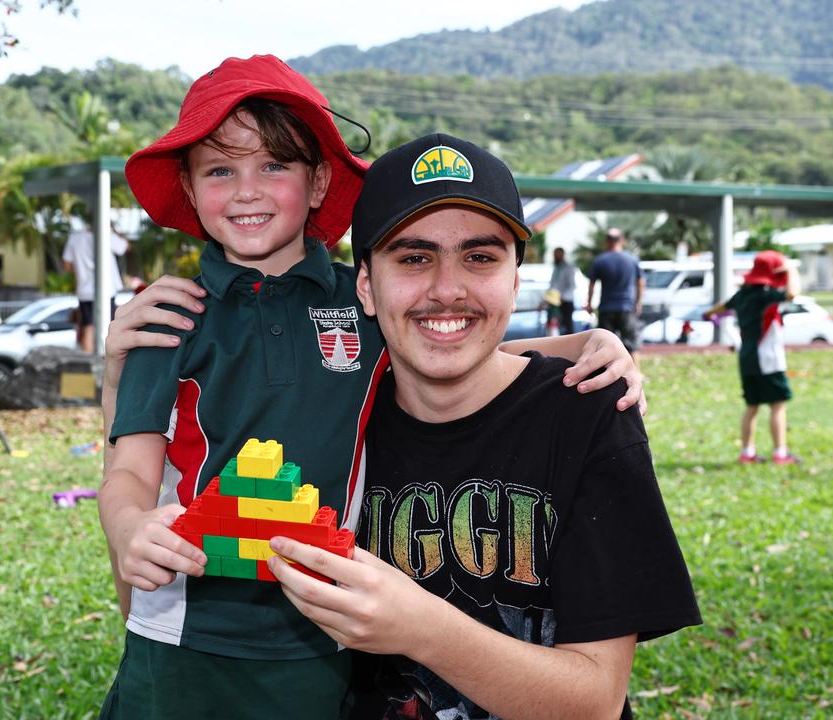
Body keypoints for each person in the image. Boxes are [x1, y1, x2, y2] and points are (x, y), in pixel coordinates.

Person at [97, 55, 644, 719]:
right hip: (185, 632)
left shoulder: (361, 305)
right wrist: (128, 527)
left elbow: (459, 345)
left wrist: (591, 345)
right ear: (188, 184)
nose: (247, 190)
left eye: (274, 165)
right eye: (220, 170)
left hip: (326, 630)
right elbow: (129, 468)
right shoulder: (170, 314)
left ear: (321, 179)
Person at [264, 133, 701, 720]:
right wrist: (132, 377)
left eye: (481, 257)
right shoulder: (334, 420)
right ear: (366, 284)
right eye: (414, 257)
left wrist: (420, 627)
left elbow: (596, 699)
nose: (448, 289)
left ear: (516, 279)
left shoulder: (586, 412)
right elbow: (158, 603)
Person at [706, 250, 801, 465]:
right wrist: (792, 269)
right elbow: (792, 294)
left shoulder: (743, 295)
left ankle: (747, 452)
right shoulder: (764, 295)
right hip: (767, 358)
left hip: (746, 357)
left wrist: (710, 314)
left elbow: (720, 307)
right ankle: (780, 453)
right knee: (777, 404)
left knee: (752, 405)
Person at [62, 211, 128, 353]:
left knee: (88, 327)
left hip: (84, 291)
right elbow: (125, 247)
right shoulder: (107, 235)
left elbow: (66, 265)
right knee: (110, 327)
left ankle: (89, 366)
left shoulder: (74, 238)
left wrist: (81, 272)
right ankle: (107, 363)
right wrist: (116, 231)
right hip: (106, 290)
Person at [587, 227, 644, 361]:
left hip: (606, 308)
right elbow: (641, 283)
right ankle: (635, 374)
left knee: (605, 345)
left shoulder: (600, 261)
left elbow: (592, 285)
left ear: (606, 242)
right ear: (622, 241)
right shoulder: (632, 260)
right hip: (626, 307)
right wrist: (638, 302)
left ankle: (608, 378)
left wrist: (589, 303)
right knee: (631, 345)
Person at [548, 247, 577, 335]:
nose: (555, 257)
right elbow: (553, 286)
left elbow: (572, 286)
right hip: (555, 302)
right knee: (555, 329)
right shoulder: (556, 268)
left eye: (557, 255)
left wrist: (561, 297)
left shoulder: (568, 268)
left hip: (565, 302)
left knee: (567, 330)